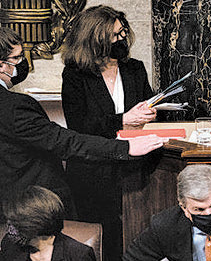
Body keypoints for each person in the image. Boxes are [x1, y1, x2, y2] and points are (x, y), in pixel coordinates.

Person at [0, 27, 164, 220]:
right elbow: (64, 141)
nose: (21, 64)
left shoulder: (133, 68)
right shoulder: (13, 106)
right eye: (17, 58)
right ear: (2, 65)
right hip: (32, 208)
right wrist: (125, 147)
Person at [60, 5, 156, 261]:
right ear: (95, 39)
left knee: (136, 237)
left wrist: (150, 113)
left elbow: (146, 103)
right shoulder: (75, 74)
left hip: (134, 169)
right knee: (105, 241)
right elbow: (80, 126)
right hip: (93, 172)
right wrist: (122, 120)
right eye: (114, 36)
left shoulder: (134, 68)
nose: (121, 39)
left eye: (123, 33)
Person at [0, 185, 95, 261]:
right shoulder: (9, 245)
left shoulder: (78, 255)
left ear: (35, 226)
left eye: (16, 223)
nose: (10, 229)